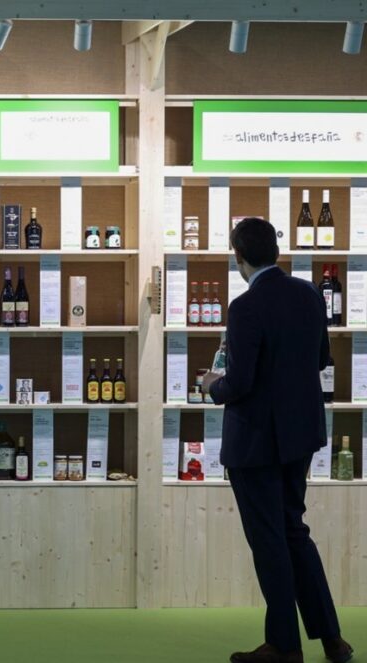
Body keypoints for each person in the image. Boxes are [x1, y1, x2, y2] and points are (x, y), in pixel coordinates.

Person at [202, 218, 353, 663]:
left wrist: (212, 384)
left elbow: (241, 383)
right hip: (300, 436)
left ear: (239, 257)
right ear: (276, 251)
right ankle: (332, 640)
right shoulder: (308, 294)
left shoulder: (245, 306)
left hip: (255, 443)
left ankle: (284, 645)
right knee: (294, 533)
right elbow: (322, 357)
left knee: (270, 541)